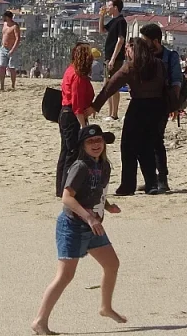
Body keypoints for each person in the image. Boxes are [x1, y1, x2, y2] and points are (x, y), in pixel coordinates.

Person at [32, 124, 126, 335]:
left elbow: (95, 191)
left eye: (99, 140)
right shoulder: (80, 166)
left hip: (93, 227)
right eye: (90, 142)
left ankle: (105, 307)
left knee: (112, 265)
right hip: (73, 226)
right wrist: (90, 219)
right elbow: (67, 198)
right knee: (65, 276)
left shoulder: (104, 166)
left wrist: (108, 206)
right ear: (83, 146)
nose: (96, 145)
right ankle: (39, 322)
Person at [92, 38, 167, 195]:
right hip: (157, 107)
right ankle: (151, 183)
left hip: (139, 106)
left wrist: (95, 106)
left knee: (128, 146)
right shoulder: (158, 64)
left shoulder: (131, 67)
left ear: (135, 50)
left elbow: (110, 86)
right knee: (147, 146)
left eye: (128, 49)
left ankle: (128, 185)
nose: (126, 52)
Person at [139, 23, 182, 192]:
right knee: (144, 142)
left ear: (155, 41)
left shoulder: (171, 57)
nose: (143, 44)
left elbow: (176, 82)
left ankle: (162, 178)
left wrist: (174, 105)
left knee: (157, 141)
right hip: (145, 103)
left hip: (162, 103)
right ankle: (151, 179)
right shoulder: (143, 55)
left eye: (145, 40)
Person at [56, 43, 96, 198]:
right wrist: (84, 127)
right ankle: (66, 188)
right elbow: (77, 106)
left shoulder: (71, 70)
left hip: (66, 113)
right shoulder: (78, 77)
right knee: (72, 152)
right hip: (71, 116)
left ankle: (61, 188)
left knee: (66, 151)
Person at [98, 0, 127, 121]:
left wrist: (113, 59)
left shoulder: (121, 21)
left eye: (109, 6)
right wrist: (101, 16)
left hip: (115, 59)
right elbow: (102, 30)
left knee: (113, 85)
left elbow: (121, 40)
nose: (107, 7)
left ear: (115, 7)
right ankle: (110, 113)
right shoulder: (113, 21)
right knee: (107, 84)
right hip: (108, 57)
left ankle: (114, 114)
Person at [0, 11, 21, 91]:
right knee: (2, 67)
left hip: (12, 48)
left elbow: (18, 39)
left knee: (11, 68)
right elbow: (4, 36)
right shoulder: (4, 24)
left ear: (8, 17)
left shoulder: (15, 26)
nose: (3, 18)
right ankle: (2, 86)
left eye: (4, 16)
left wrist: (12, 49)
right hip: (3, 48)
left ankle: (12, 85)